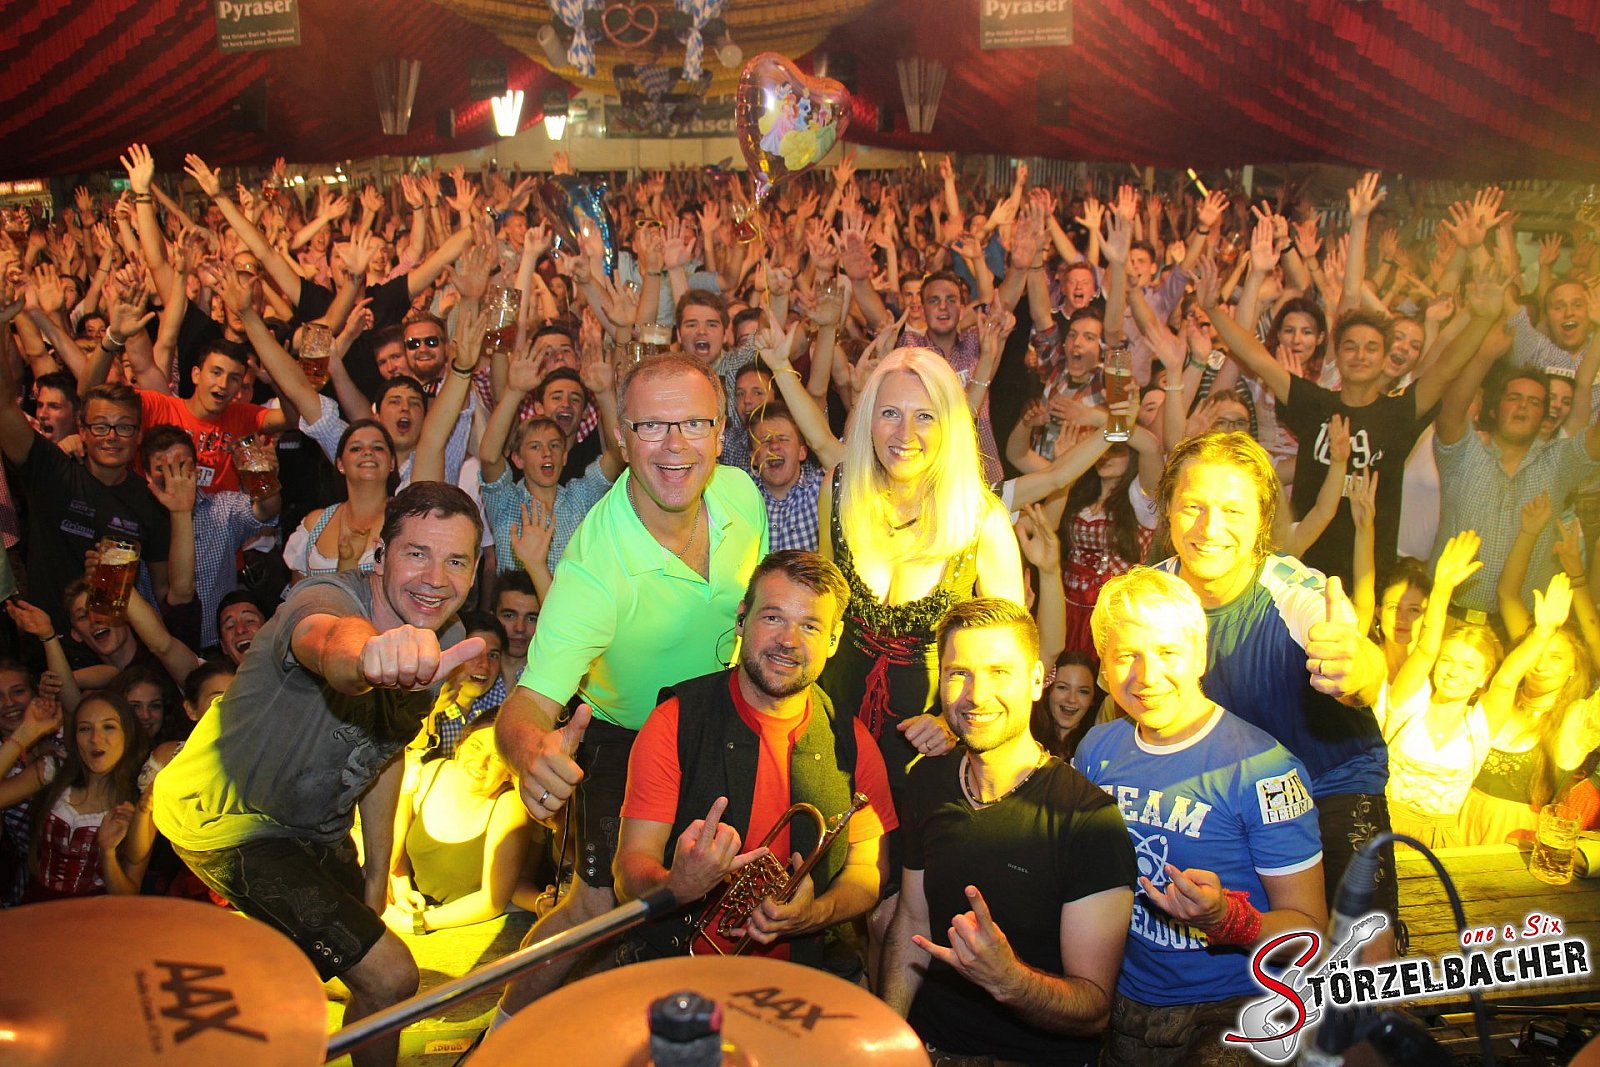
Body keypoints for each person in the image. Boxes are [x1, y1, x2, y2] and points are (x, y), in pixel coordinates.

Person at [153, 482, 488, 1067]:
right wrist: (364, 659)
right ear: (380, 556)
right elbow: (329, 641)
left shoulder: (448, 640)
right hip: (226, 818)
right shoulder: (326, 595)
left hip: (312, 831)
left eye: (456, 561)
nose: (436, 578)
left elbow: (384, 751)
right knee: (391, 976)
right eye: (417, 553)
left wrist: (378, 875)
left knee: (357, 971)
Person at [494, 353, 768, 1019]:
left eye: (693, 423)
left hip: (722, 721)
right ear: (622, 436)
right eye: (652, 427)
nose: (675, 446)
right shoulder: (594, 568)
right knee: (597, 908)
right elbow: (525, 706)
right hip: (627, 736)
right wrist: (532, 753)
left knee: (732, 888)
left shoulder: (741, 494)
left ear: (720, 430)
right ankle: (503, 1032)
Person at [1152, 431, 1394, 954]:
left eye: (1233, 511)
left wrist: (1355, 668)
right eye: (1192, 506)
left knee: (1365, 958)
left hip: (1330, 782)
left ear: (1262, 519)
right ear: (1166, 508)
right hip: (1234, 793)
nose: (1209, 528)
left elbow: (1351, 651)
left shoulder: (1292, 587)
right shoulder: (1152, 597)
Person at [1077, 569, 1326, 1066]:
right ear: (1103, 665)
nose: (1147, 676)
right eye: (1126, 656)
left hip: (1237, 1009)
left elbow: (1310, 935)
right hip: (1125, 1003)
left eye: (1167, 652)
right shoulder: (1096, 750)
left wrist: (1228, 919)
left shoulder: (1266, 770)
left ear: (1200, 655)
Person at [882, 598, 1136, 1067]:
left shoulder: (1089, 821)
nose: (976, 695)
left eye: (999, 672)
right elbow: (913, 919)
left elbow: (1094, 1009)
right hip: (929, 1048)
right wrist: (887, 1039)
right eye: (959, 673)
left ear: (1037, 681)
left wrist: (1008, 980)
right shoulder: (927, 783)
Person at [613, 550, 895, 966]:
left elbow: (868, 872)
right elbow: (627, 875)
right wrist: (677, 884)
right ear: (742, 619)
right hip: (676, 971)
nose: (788, 641)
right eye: (773, 617)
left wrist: (816, 914)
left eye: (810, 626)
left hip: (797, 979)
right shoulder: (674, 721)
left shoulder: (852, 742)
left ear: (834, 640)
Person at [386, 716, 536, 935]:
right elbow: (396, 851)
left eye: (497, 758)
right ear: (460, 746)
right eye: (476, 746)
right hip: (412, 919)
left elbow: (492, 901)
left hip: (471, 931)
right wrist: (402, 890)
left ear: (509, 772)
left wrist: (417, 923)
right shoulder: (431, 772)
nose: (481, 763)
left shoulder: (510, 805)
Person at [0, 691, 149, 902]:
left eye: (108, 727)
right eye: (85, 728)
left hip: (97, 914)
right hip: (38, 906)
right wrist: (25, 733)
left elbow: (128, 897)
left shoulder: (139, 801)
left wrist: (108, 853)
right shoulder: (54, 771)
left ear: (128, 734)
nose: (95, 738)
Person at [284, 420, 396, 581]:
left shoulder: (405, 518)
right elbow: (300, 593)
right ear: (340, 464)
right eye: (356, 448)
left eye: (378, 447)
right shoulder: (315, 523)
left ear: (392, 463)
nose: (367, 452)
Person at [1031, 650, 1101, 761]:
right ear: (1047, 691)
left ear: (1093, 698)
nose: (1071, 699)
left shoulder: (1099, 748)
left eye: (1083, 691)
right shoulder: (1026, 739)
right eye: (1062, 687)